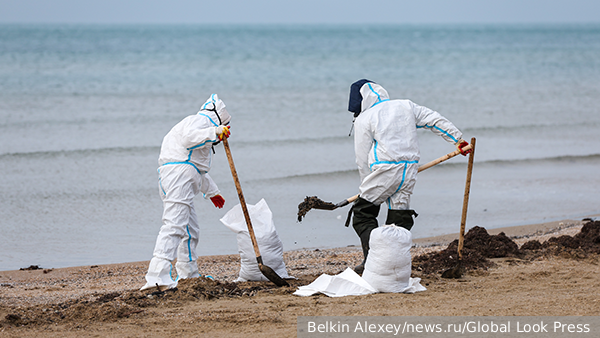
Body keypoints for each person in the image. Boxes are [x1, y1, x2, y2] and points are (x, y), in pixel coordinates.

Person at [347, 79, 471, 274]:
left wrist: (365, 185)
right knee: (398, 219)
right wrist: (458, 140)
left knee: (363, 214)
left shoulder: (365, 118)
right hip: (409, 171)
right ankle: (393, 264)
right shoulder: (405, 105)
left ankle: (372, 261)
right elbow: (434, 120)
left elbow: (361, 158)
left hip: (384, 171)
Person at [141, 94, 232, 291]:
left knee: (190, 231)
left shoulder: (203, 131)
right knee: (174, 226)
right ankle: (157, 277)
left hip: (180, 176)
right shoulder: (198, 121)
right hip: (178, 176)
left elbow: (197, 170)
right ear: (218, 118)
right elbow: (189, 140)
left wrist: (212, 192)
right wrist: (214, 131)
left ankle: (189, 275)